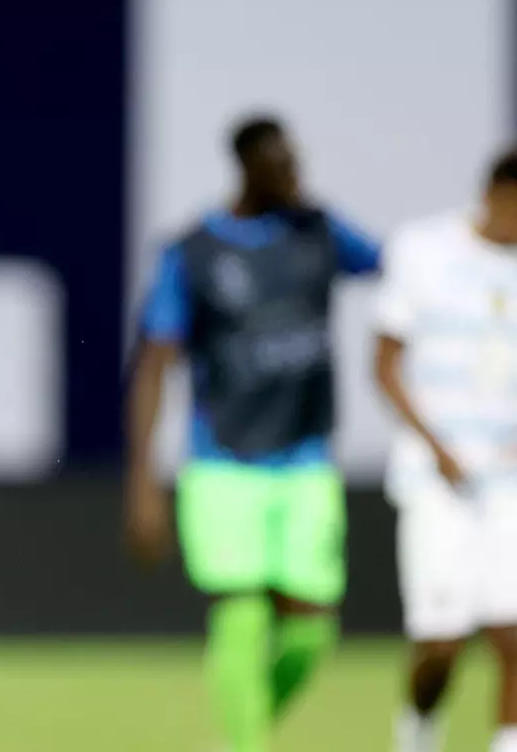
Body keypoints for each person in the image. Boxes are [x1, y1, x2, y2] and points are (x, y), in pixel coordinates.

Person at [125, 115, 381, 752]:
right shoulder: (194, 252)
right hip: (223, 461)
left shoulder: (320, 230)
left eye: (298, 163)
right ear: (249, 167)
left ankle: (249, 728)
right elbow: (155, 362)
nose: (296, 177)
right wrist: (143, 479)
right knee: (240, 614)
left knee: (310, 630)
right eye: (283, 166)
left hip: (305, 457)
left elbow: (399, 272)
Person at [376, 149, 517, 752]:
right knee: (442, 645)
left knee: (513, 636)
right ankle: (418, 730)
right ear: (495, 194)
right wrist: (437, 447)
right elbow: (384, 364)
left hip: (509, 479)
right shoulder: (423, 251)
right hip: (437, 479)